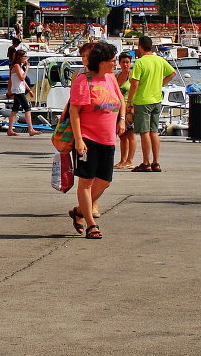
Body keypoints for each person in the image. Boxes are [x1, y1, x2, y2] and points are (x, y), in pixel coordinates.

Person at [67, 41, 125, 238]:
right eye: (112, 61)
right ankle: (91, 225)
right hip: (88, 138)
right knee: (86, 182)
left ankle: (79, 210)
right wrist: (78, 140)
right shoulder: (84, 81)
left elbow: (120, 100)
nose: (115, 64)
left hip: (108, 139)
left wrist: (122, 119)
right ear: (101, 62)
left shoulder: (110, 79)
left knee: (105, 181)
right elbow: (74, 111)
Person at [128, 36, 175, 172]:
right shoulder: (159, 60)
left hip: (143, 100)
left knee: (144, 133)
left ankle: (146, 162)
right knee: (154, 132)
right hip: (156, 100)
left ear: (141, 46)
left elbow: (134, 84)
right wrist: (160, 84)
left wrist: (129, 101)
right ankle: (156, 162)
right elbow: (172, 73)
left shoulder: (140, 63)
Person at [6, 50, 41, 136]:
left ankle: (10, 130)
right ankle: (30, 129)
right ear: (20, 57)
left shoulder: (20, 67)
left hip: (20, 89)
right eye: (24, 56)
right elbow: (22, 78)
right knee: (27, 108)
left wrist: (29, 90)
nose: (25, 58)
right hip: (18, 91)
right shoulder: (16, 66)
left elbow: (23, 81)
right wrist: (27, 68)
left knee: (15, 109)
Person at [114, 51, 136, 169]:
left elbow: (136, 90)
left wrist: (132, 105)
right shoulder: (116, 76)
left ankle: (130, 160)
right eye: (123, 62)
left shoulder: (132, 76)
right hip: (118, 109)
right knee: (122, 135)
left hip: (129, 108)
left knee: (130, 135)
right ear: (119, 63)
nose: (125, 65)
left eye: (127, 62)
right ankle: (122, 160)